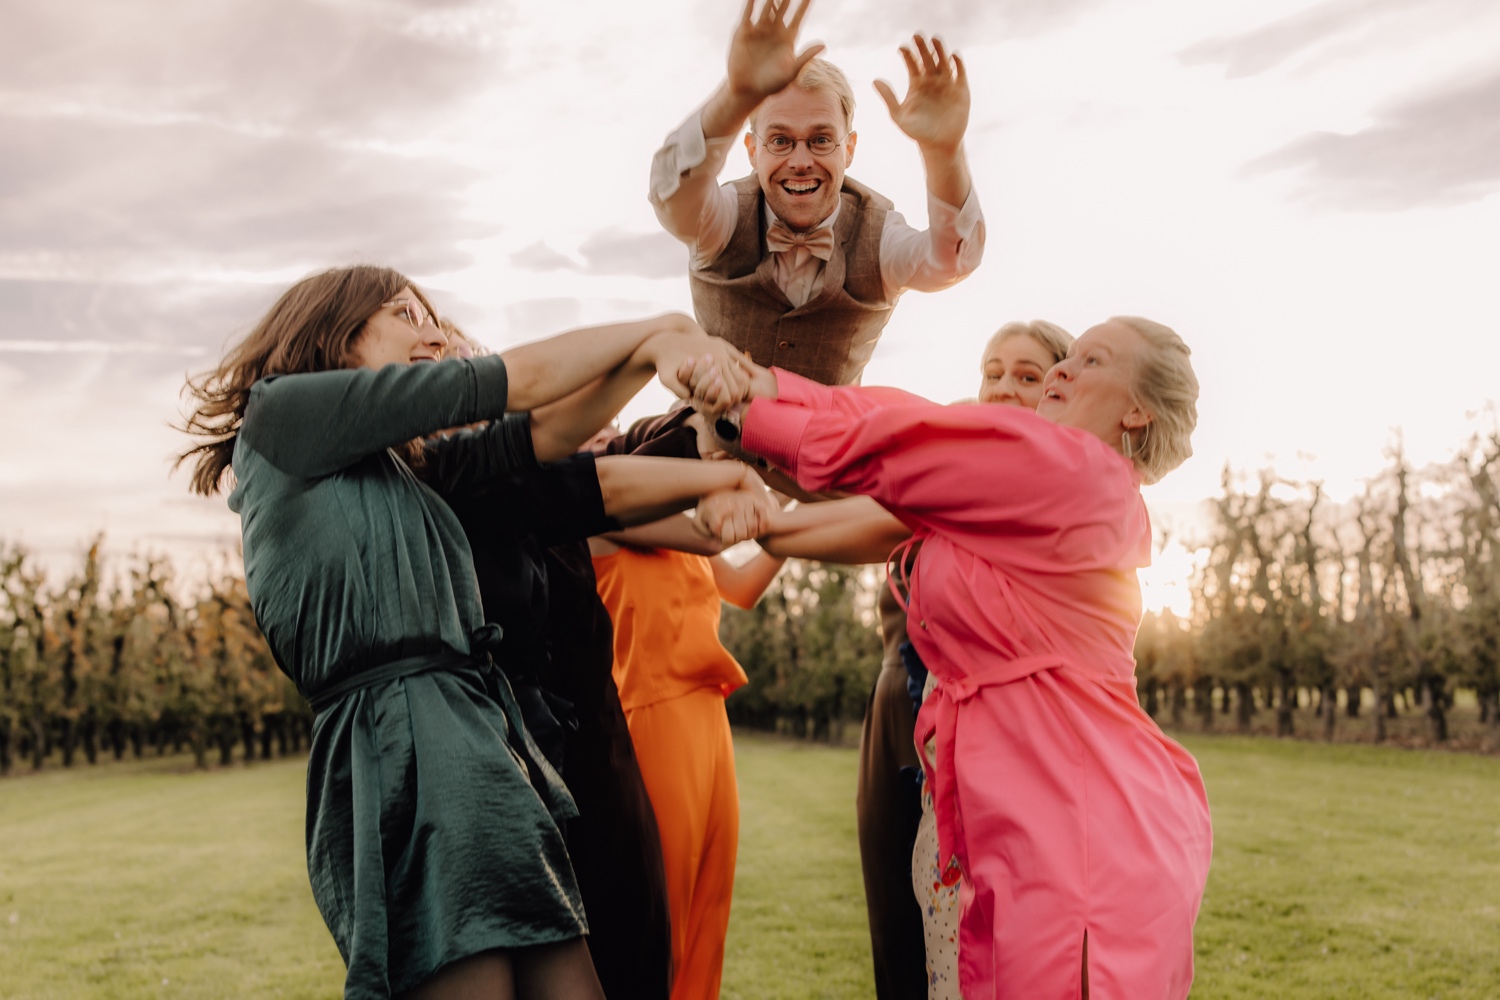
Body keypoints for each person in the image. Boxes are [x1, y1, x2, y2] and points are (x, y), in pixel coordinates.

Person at [178, 264, 753, 999]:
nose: (432, 332)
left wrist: (650, 352)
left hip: (482, 739)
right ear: (334, 332)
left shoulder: (404, 465)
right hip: (400, 741)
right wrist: (652, 334)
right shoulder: (284, 414)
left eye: (433, 316)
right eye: (404, 314)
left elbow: (544, 432)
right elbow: (515, 380)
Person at [682, 316, 1213, 999]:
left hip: (1077, 832)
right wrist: (765, 395)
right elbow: (909, 425)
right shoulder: (1022, 490)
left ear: (1136, 410)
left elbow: (903, 442)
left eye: (1091, 361)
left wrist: (749, 408)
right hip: (1012, 819)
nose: (1062, 370)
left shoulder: (1077, 471)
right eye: (1067, 357)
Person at [430, 325, 779, 1000]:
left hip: (654, 728)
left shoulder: (550, 493)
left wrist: (775, 485)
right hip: (608, 729)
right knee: (632, 931)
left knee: (676, 918)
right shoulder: (547, 498)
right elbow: (628, 483)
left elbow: (718, 537)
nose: (595, 438)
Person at [753, 320, 1073, 1000]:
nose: (1004, 388)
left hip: (982, 723)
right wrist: (749, 445)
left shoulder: (1045, 483)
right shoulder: (953, 456)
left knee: (978, 928)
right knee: (897, 920)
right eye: (993, 372)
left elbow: (859, 498)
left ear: (1061, 389)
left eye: (1027, 375)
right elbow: (857, 490)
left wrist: (766, 493)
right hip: (896, 697)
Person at [650, 0, 984, 386]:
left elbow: (952, 262)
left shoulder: (879, 236)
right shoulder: (722, 219)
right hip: (707, 440)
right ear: (752, 152)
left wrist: (943, 154)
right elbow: (671, 195)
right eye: (780, 140)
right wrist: (736, 97)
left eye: (821, 139)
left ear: (850, 149)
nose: (801, 160)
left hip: (831, 445)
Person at [586, 426, 787, 1000]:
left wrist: (795, 497)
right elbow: (712, 531)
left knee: (707, 914)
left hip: (707, 718)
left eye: (614, 426)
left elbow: (744, 586)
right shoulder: (596, 511)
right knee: (663, 917)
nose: (607, 432)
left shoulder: (675, 530)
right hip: (654, 717)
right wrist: (761, 470)